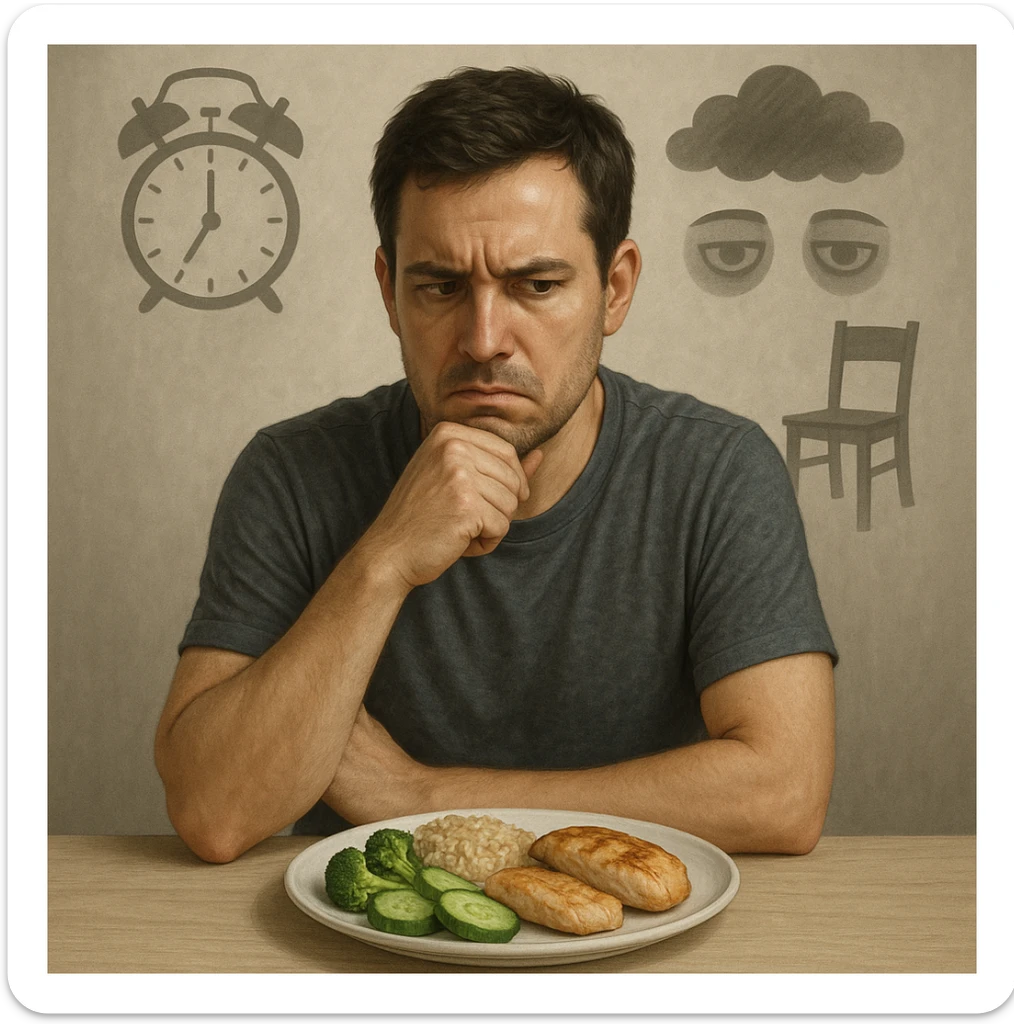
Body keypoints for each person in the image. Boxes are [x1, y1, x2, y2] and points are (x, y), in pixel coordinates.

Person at [155, 66, 838, 864]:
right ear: (389, 290)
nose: (483, 340)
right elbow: (212, 811)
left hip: (634, 931)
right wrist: (384, 560)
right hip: (366, 931)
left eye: (535, 285)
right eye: (441, 287)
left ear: (615, 289)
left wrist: (422, 797)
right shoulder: (291, 472)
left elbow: (783, 795)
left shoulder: (719, 471)